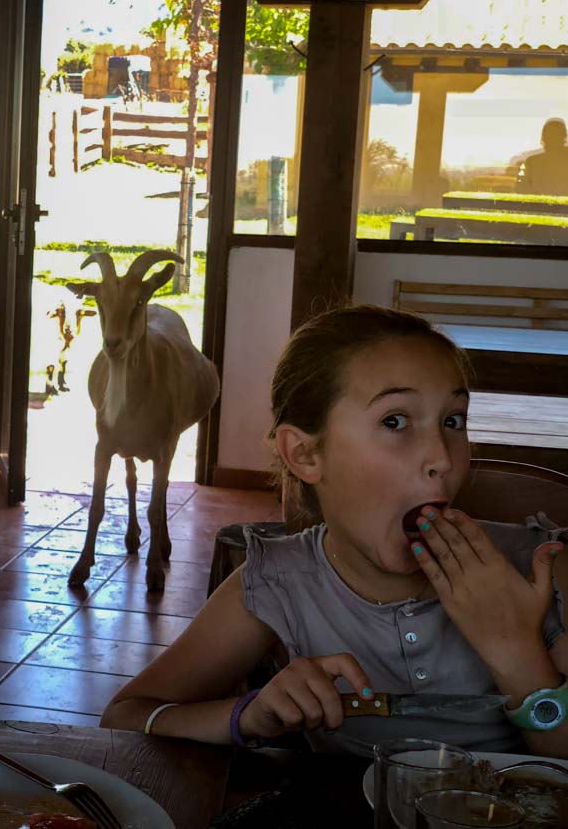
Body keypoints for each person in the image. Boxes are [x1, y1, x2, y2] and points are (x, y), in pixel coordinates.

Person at [101, 305, 568, 758]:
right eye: (395, 421)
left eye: (453, 421)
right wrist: (245, 715)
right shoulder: (281, 580)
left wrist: (516, 651)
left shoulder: (542, 569)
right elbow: (123, 717)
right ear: (304, 454)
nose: (443, 459)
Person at [516, 118, 568, 195]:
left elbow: (520, 188)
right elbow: (521, 188)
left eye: (555, 135)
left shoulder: (532, 162)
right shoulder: (531, 162)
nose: (553, 139)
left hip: (538, 205)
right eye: (551, 135)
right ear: (564, 137)